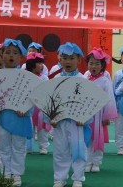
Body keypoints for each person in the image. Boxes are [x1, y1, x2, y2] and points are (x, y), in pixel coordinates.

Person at [0, 39, 32, 187]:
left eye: (15, 53)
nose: (11, 56)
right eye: (7, 52)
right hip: (3, 116)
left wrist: (26, 109)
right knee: (3, 145)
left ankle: (16, 174)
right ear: (1, 55)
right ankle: (5, 173)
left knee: (19, 146)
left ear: (21, 57)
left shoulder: (26, 76)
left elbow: (32, 97)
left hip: (20, 117)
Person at [52, 42, 89, 187]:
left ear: (79, 60)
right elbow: (50, 101)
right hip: (60, 122)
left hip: (76, 122)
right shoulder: (55, 79)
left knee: (78, 149)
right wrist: (51, 117)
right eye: (65, 58)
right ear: (59, 59)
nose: (68, 61)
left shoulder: (83, 79)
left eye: (72, 58)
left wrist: (85, 118)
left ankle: (78, 178)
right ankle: (59, 178)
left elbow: (89, 102)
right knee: (60, 150)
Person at [84, 48, 117, 173]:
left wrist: (106, 116)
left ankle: (96, 161)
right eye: (91, 63)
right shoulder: (84, 76)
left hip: (99, 114)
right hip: (86, 113)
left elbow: (109, 98)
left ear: (102, 65)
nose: (94, 66)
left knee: (97, 138)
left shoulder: (104, 80)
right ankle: (87, 161)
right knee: (86, 138)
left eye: (97, 63)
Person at [25, 52, 51, 155]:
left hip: (40, 106)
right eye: (38, 63)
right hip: (28, 105)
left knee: (42, 128)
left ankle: (43, 146)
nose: (41, 66)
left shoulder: (44, 78)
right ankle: (28, 147)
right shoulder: (25, 76)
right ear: (31, 65)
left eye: (42, 63)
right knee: (28, 127)